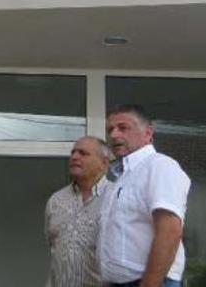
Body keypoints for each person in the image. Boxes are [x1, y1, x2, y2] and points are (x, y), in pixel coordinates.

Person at [98, 104, 191, 287]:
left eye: (123, 128)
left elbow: (170, 232)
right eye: (110, 130)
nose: (114, 135)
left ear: (148, 133)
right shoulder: (120, 179)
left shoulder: (160, 167)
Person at [45, 136, 112, 287]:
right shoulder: (56, 200)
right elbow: (52, 244)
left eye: (83, 153)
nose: (74, 157)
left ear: (104, 163)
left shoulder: (117, 198)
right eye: (73, 152)